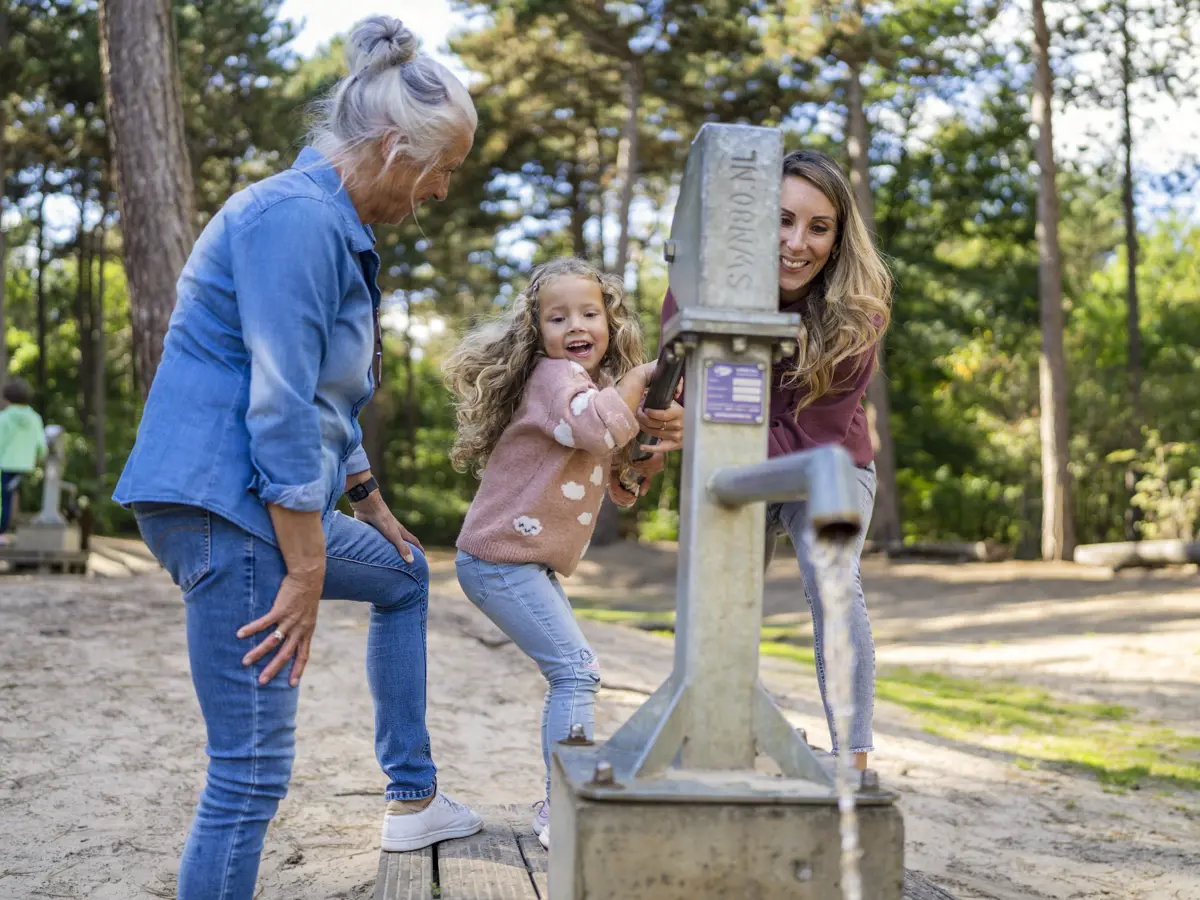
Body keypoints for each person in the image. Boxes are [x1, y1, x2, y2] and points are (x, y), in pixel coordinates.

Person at [113, 17, 483, 899]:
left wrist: (369, 500)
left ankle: (413, 795)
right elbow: (278, 403)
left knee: (403, 573)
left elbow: (323, 394)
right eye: (442, 169)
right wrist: (307, 566)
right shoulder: (297, 220)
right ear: (393, 148)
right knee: (248, 773)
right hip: (228, 505)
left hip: (251, 501)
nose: (440, 191)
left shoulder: (329, 222)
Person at [646, 148, 892, 771]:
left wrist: (701, 429)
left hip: (827, 463)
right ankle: (714, 735)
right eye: (782, 220)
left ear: (838, 240)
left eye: (818, 227)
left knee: (832, 579)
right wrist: (648, 448)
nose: (797, 243)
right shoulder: (698, 291)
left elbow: (812, 434)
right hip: (734, 463)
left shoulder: (857, 317)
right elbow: (673, 393)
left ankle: (853, 761)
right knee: (716, 593)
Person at [444, 257, 672, 851]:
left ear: (610, 323)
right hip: (499, 560)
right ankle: (562, 809)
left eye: (589, 314)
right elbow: (595, 429)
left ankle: (561, 801)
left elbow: (612, 473)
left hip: (519, 562)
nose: (576, 326)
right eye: (558, 317)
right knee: (576, 671)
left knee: (574, 671)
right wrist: (642, 376)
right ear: (537, 331)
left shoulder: (588, 392)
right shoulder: (555, 379)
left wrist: (637, 469)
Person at [0, 378, 47, 542]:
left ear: (8, 398)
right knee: (24, 500)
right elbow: (42, 447)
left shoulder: (4, 418)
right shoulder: (35, 418)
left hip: (6, 465)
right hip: (27, 466)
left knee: (4, 500)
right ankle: (24, 533)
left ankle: (2, 532)